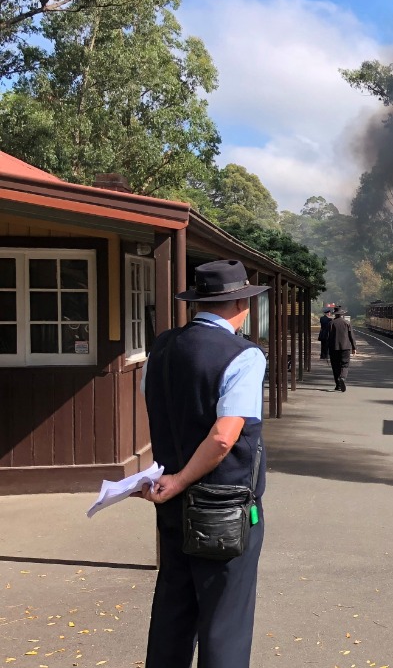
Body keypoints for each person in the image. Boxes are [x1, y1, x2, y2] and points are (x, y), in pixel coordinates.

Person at [139, 259, 269, 668]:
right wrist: (180, 480)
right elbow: (222, 436)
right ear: (240, 305)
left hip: (172, 508)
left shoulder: (161, 347)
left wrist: (169, 478)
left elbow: (160, 411)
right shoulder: (244, 356)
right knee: (224, 623)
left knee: (173, 612)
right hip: (224, 510)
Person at [328, 307, 357, 391]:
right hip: (345, 347)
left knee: (335, 366)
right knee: (344, 364)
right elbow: (351, 336)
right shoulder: (347, 323)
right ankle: (342, 378)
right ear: (343, 314)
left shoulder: (331, 323)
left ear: (335, 314)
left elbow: (327, 337)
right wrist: (354, 347)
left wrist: (326, 349)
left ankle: (338, 385)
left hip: (333, 348)